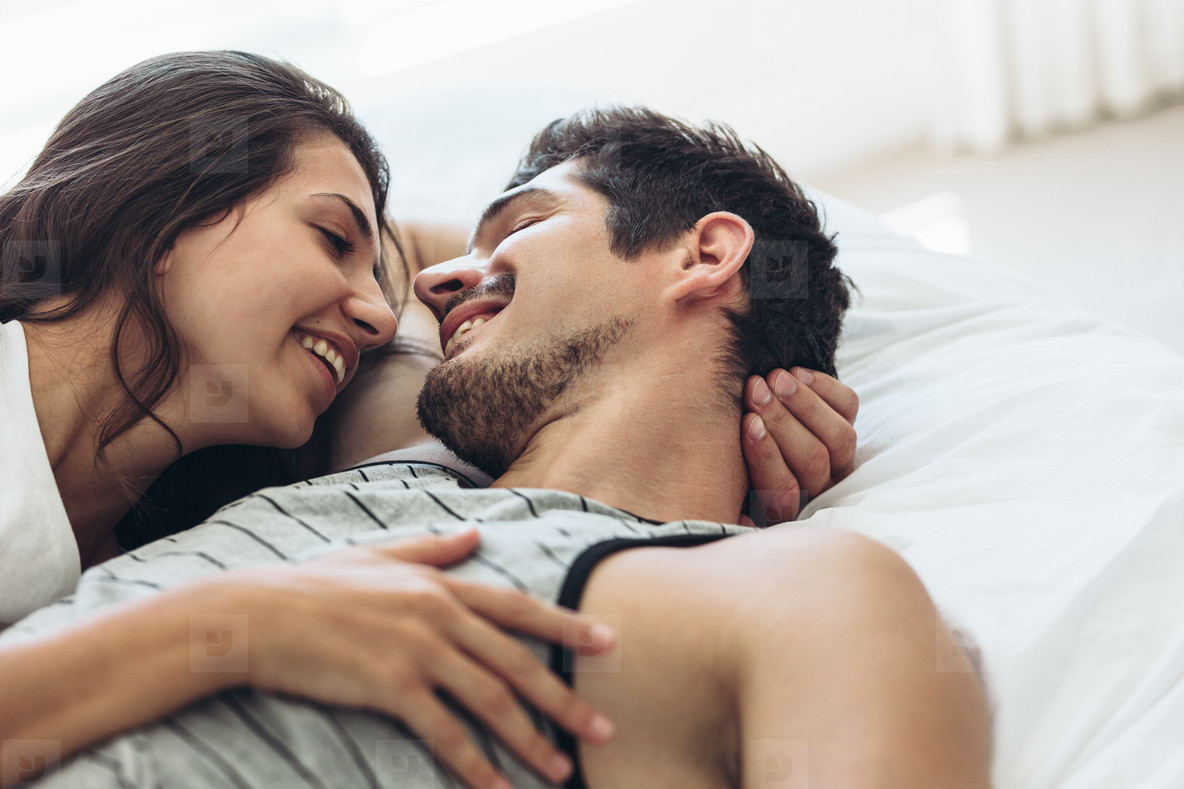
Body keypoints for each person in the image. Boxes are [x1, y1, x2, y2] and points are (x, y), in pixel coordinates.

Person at [4, 108, 989, 789]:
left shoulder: (794, 588)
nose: (433, 285)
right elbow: (297, 232)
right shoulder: (376, 441)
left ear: (703, 252)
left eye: (518, 228)